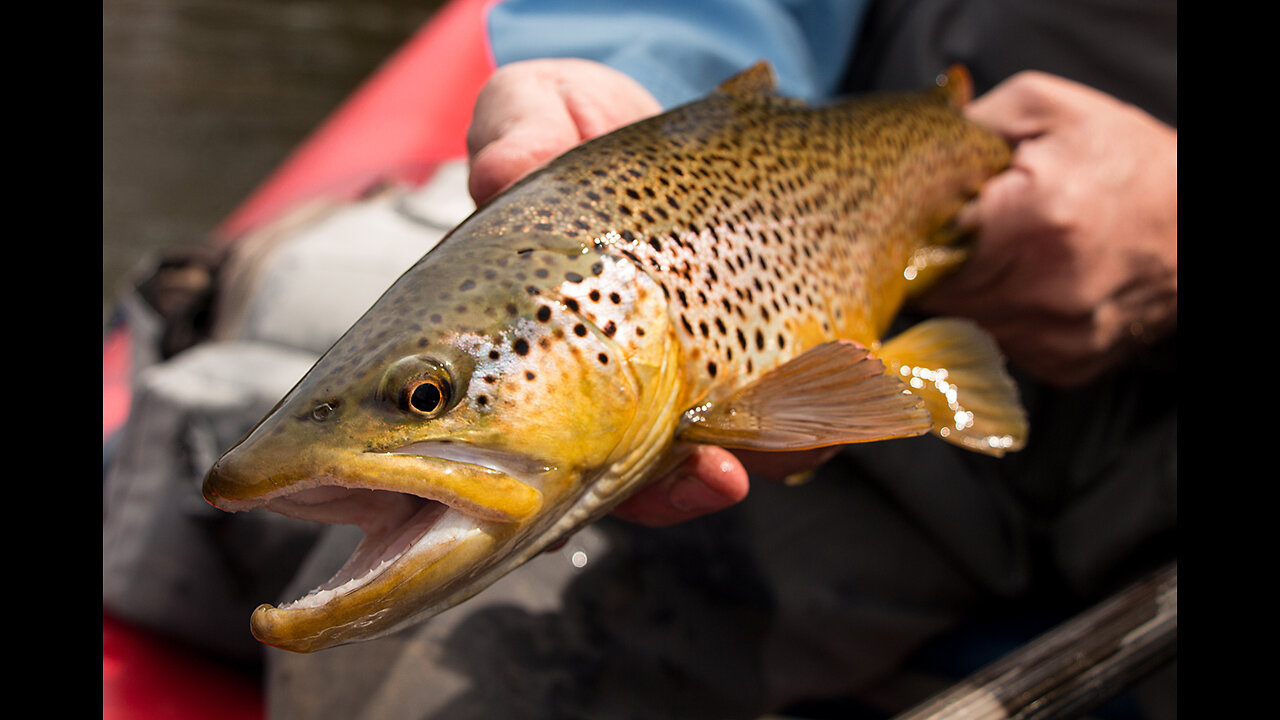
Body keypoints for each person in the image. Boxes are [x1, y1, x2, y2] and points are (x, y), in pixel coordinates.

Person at [264, 2, 1176, 717]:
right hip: (899, 467)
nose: (426, 404)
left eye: (426, 397)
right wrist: (628, 75)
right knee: (388, 691)